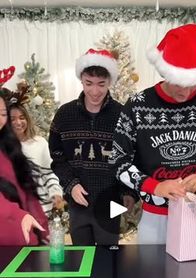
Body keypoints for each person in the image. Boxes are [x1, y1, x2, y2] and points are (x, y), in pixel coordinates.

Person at [109, 23, 196, 244]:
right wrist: (154, 186)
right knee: (152, 277)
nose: (185, 92)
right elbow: (118, 160)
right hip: (154, 217)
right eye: (178, 82)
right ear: (165, 71)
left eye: (192, 83)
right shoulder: (138, 105)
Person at [49, 48, 135, 245]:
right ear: (81, 80)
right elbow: (58, 158)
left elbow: (131, 157)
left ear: (109, 83)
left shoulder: (122, 115)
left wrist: (129, 192)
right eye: (89, 83)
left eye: (101, 84)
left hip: (111, 201)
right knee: (81, 257)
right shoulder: (64, 114)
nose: (95, 91)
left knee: (109, 259)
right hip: (78, 202)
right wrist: (71, 184)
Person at [0, 94, 49, 245]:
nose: (1, 119)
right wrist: (18, 214)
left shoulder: (9, 148)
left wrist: (44, 229)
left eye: (2, 113)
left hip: (25, 241)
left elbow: (27, 192)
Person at [9, 103, 63, 216]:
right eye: (12, 119)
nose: (18, 122)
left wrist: (55, 192)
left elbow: (49, 172)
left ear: (27, 119)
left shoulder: (39, 143)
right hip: (14, 210)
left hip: (40, 208)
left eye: (22, 117)